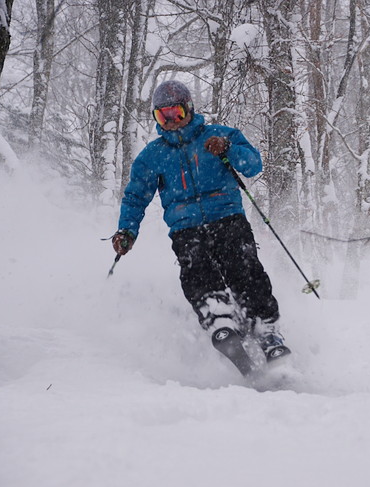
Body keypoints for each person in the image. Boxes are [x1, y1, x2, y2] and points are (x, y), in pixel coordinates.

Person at [112, 80, 286, 363]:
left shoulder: (218, 136)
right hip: (186, 228)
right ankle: (219, 320)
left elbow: (253, 165)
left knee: (246, 272)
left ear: (189, 110)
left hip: (228, 219)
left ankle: (267, 332)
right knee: (196, 274)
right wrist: (127, 230)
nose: (170, 122)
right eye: (162, 116)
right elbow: (135, 197)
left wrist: (228, 148)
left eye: (176, 114)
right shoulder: (152, 156)